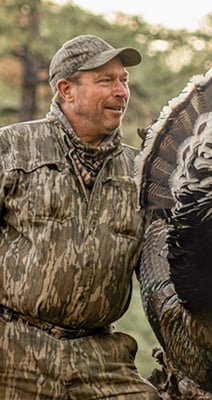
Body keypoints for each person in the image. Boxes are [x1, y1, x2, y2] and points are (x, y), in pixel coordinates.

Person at [0, 35, 158, 398]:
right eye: (106, 80)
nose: (121, 91)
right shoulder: (10, 149)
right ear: (66, 89)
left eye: (124, 81)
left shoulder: (140, 172)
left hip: (101, 354)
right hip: (14, 350)